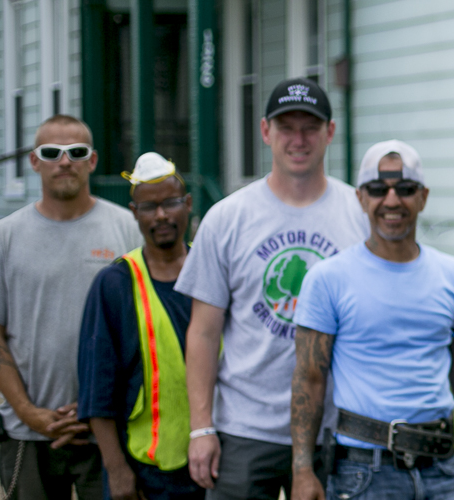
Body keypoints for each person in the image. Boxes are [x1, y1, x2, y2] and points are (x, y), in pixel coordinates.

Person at [176, 78, 371, 499]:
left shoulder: (360, 214)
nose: (298, 139)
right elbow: (203, 333)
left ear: (330, 133)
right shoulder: (227, 218)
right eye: (287, 127)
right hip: (246, 429)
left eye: (310, 128)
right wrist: (201, 427)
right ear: (265, 131)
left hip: (337, 431)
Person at [289, 140, 454, 500]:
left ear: (423, 197)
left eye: (405, 189)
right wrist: (302, 470)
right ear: (361, 198)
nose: (392, 201)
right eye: (378, 190)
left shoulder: (453, 275)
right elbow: (309, 378)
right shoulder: (328, 278)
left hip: (443, 469)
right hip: (364, 472)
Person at [0, 114, 139, 499]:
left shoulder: (127, 230)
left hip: (109, 433)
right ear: (34, 161)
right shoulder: (1, 239)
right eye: (52, 152)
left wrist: (100, 408)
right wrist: (30, 413)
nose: (65, 161)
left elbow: (143, 331)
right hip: (27, 435)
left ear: (92, 160)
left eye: (76, 152)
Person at [76, 153, 205, 500]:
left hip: (212, 465)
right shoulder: (115, 284)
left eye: (171, 203)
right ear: (134, 212)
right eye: (149, 207)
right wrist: (116, 470)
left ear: (188, 204)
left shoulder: (211, 273)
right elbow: (96, 387)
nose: (161, 215)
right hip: (144, 472)